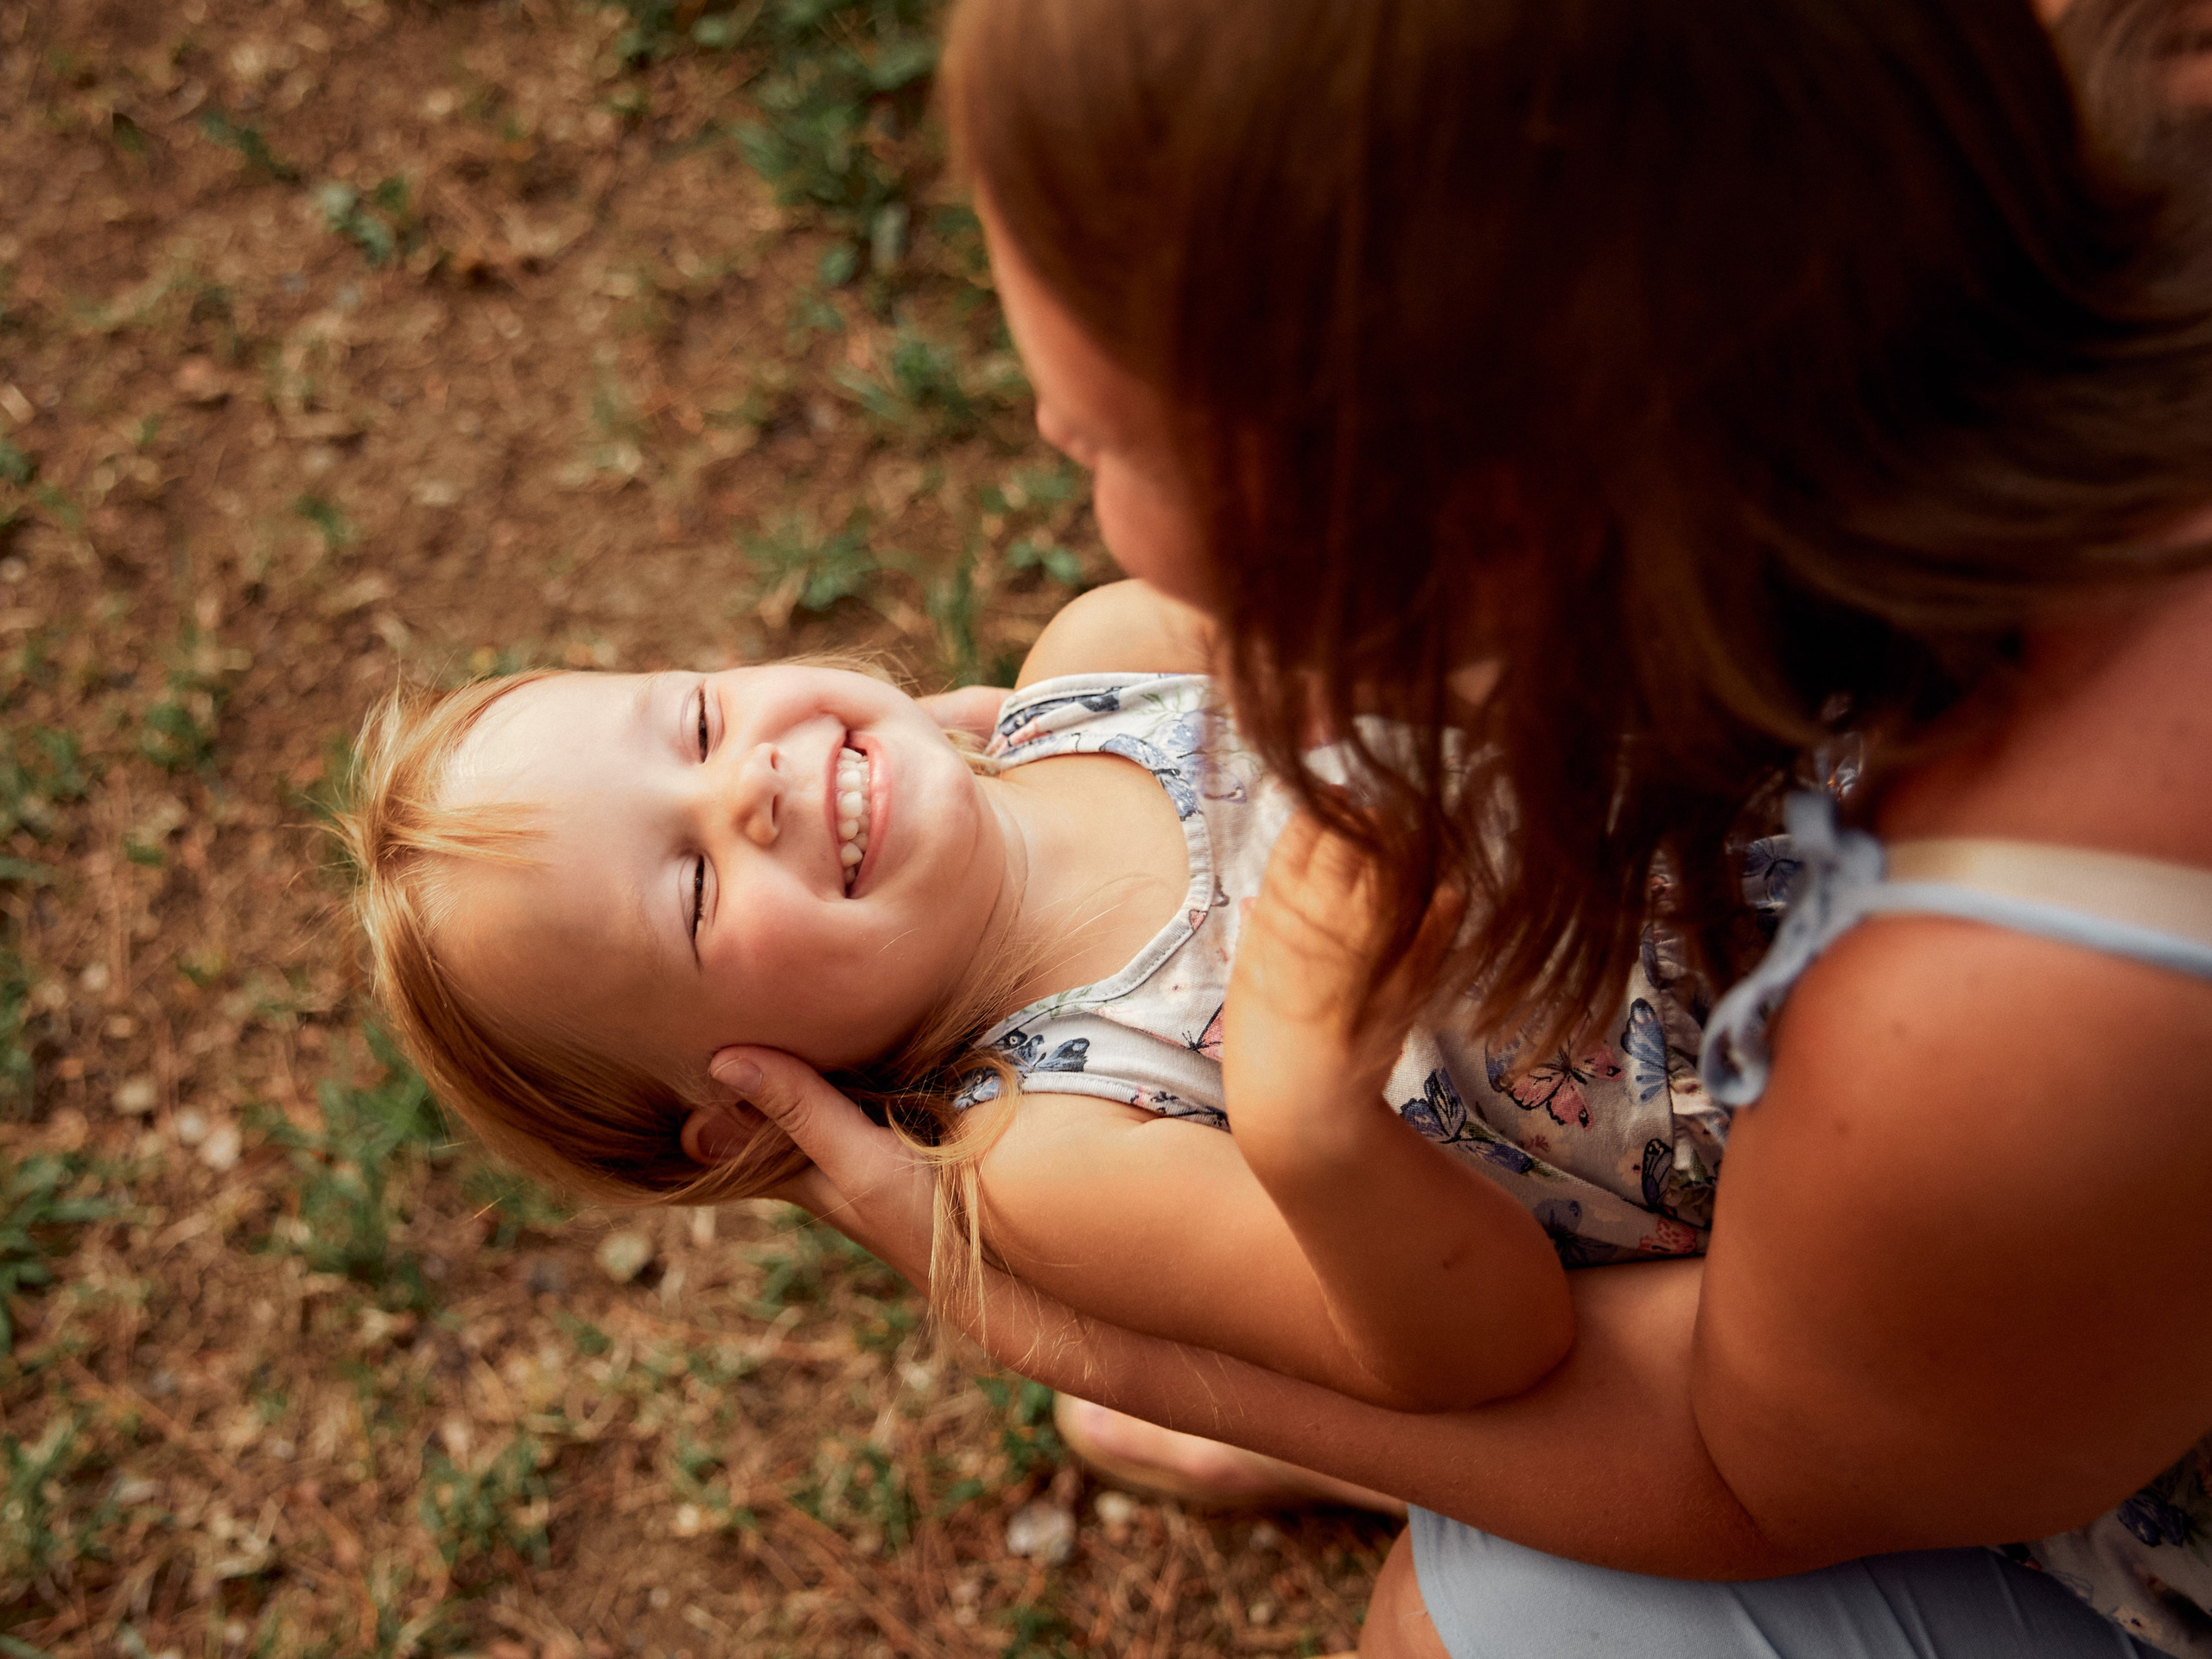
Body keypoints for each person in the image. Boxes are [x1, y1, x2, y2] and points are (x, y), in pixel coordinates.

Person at [688, 0, 2212, 1655]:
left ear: (1477, 517)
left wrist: (1108, 1340)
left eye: (1106, 439)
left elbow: (1742, 1471)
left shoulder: (1994, 1013)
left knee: (1453, 1617)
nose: (1066, 457)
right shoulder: (2065, 110)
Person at [337, 577, 1738, 1429]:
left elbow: (1457, 626)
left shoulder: (1112, 652)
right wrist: (1307, 1095)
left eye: (696, 721)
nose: (743, 784)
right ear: (742, 1102)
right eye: (693, 891)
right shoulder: (1053, 1153)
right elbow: (1490, 1353)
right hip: (1783, 1092)